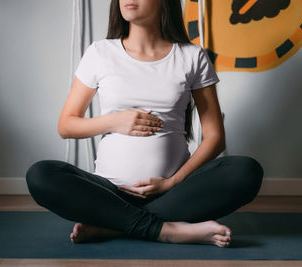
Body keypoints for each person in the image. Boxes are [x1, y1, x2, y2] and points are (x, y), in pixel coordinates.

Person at [26, 0, 264, 248]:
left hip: (173, 192)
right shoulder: (100, 52)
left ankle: (114, 225)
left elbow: (215, 137)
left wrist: (173, 182)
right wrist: (114, 121)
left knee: (246, 170)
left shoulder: (192, 56)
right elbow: (66, 125)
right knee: (41, 175)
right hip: (108, 192)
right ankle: (167, 230)